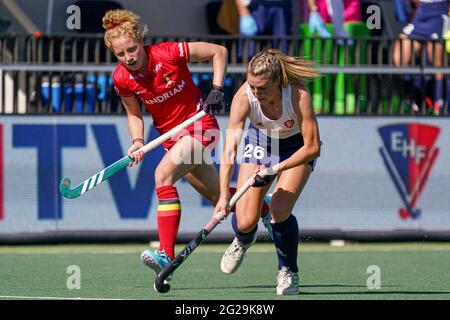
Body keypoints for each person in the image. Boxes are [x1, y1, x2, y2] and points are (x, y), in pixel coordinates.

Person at [102, 9, 272, 282]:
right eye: (121, 54)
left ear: (141, 42)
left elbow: (219, 51)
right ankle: (265, 209)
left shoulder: (169, 53)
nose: (128, 58)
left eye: (132, 50)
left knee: (162, 175)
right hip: (172, 140)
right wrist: (137, 141)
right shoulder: (122, 78)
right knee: (221, 200)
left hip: (200, 128)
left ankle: (165, 254)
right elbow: (134, 114)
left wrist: (216, 89)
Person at [213, 49, 321, 295]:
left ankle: (288, 271)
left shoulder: (298, 95)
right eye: (252, 86)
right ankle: (243, 237)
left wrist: (275, 169)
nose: (256, 93)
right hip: (261, 143)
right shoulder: (244, 97)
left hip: (296, 148)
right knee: (245, 220)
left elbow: (313, 147)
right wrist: (222, 197)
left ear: (278, 82)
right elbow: (229, 150)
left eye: (262, 88)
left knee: (280, 210)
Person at [393, 0, 449, 114]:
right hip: (422, 11)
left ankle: (440, 106)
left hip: (439, 11)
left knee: (437, 64)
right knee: (399, 58)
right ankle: (414, 101)